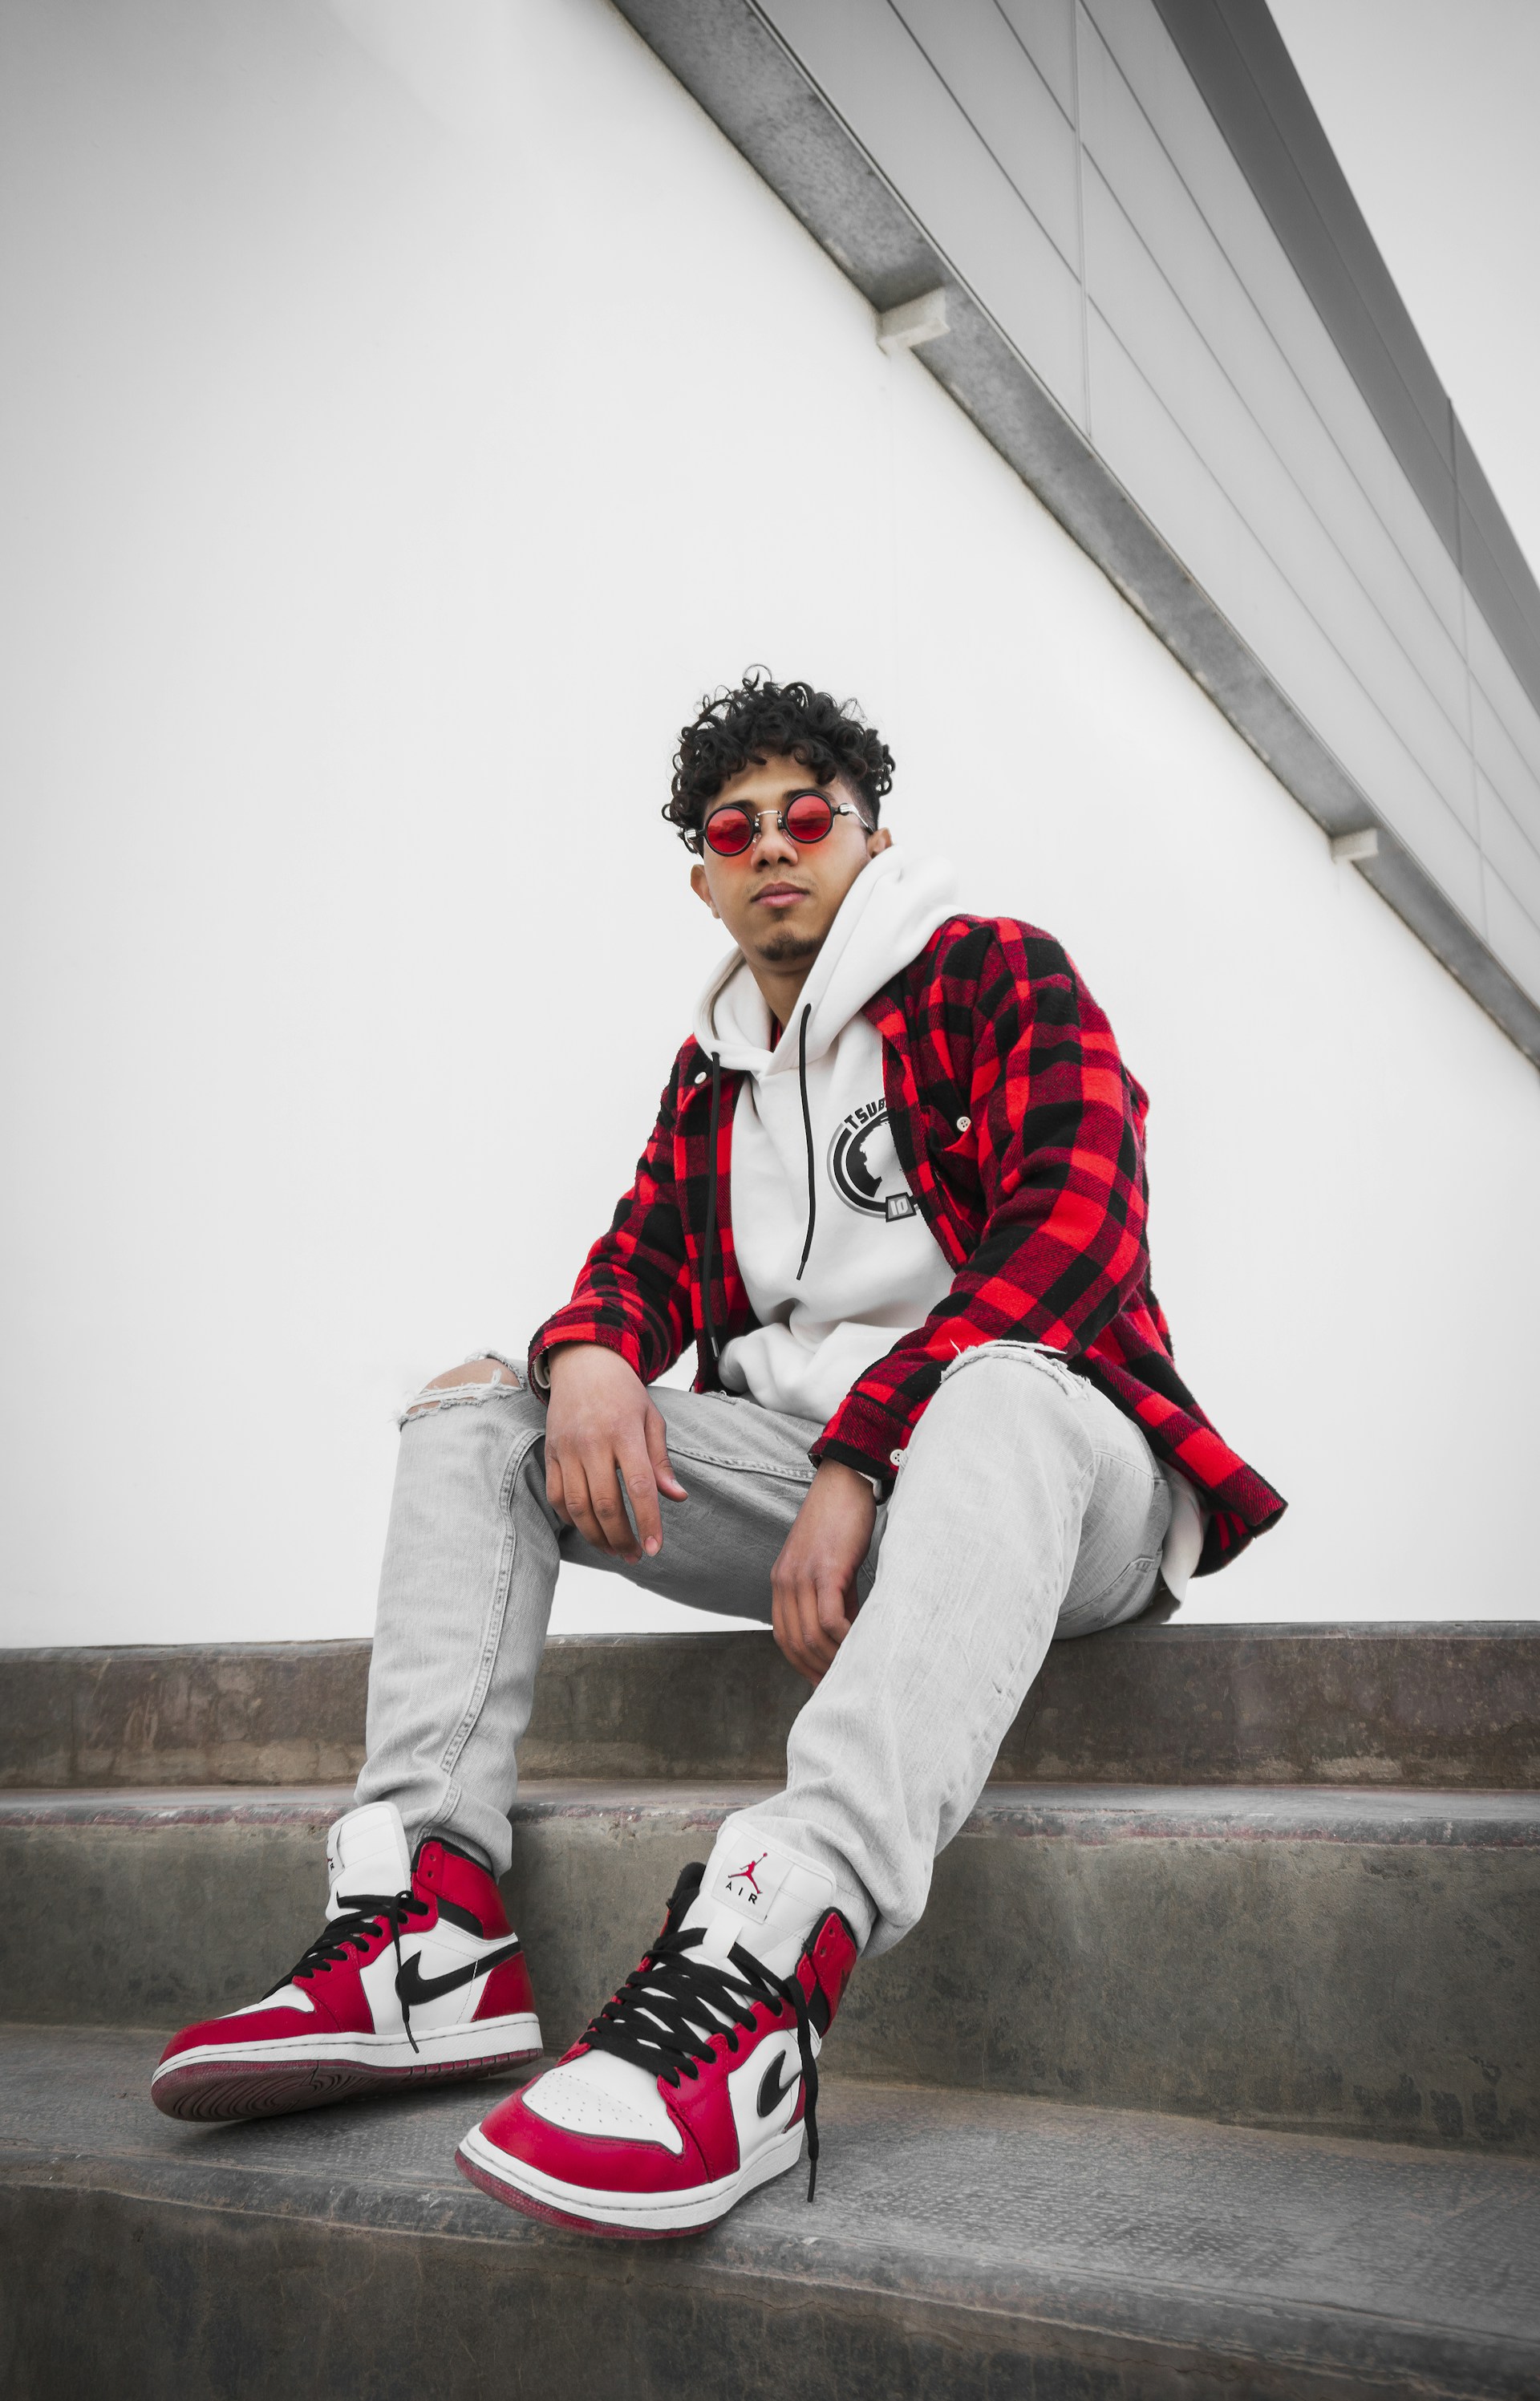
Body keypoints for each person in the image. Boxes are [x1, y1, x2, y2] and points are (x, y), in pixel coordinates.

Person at [151, 673, 1283, 2236]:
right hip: (825, 1499)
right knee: (484, 1411)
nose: (773, 846)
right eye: (734, 827)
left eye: (808, 816)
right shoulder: (718, 1077)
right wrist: (595, 1352)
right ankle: (429, 1922)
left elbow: (1074, 1245)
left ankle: (769, 1953)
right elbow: (638, 1262)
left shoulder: (991, 979)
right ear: (702, 872)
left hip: (1055, 1485)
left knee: (1003, 1389)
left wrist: (868, 1449)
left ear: (875, 839)